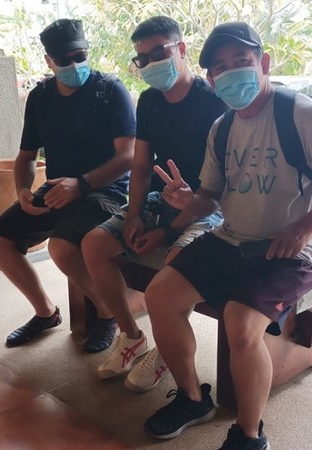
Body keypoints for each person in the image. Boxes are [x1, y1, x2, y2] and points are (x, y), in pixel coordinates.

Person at [142, 21, 312, 449]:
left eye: (242, 60)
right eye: (221, 67)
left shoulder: (304, 114)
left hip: (295, 252)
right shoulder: (222, 128)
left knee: (240, 322)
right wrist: (187, 202)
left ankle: (249, 434)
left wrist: (304, 226)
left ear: (264, 63)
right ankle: (193, 399)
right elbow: (210, 198)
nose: (232, 72)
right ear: (211, 79)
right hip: (232, 238)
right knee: (159, 294)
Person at [81, 16, 227, 393]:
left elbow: (220, 189)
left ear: (182, 49)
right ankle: (131, 336)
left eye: (159, 52)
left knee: (174, 266)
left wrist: (166, 230)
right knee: (94, 244)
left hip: (209, 205)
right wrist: (133, 216)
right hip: (160, 199)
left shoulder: (214, 103)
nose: (150, 63)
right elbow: (142, 165)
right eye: (142, 58)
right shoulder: (148, 101)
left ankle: (166, 349)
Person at [0, 19, 136, 353]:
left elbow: (128, 155)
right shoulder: (40, 97)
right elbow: (26, 156)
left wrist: (81, 184)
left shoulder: (110, 90)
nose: (75, 65)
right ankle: (45, 313)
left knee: (61, 247)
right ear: (49, 61)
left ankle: (106, 312)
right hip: (56, 189)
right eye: (64, 60)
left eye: (80, 56)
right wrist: (23, 190)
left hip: (103, 191)